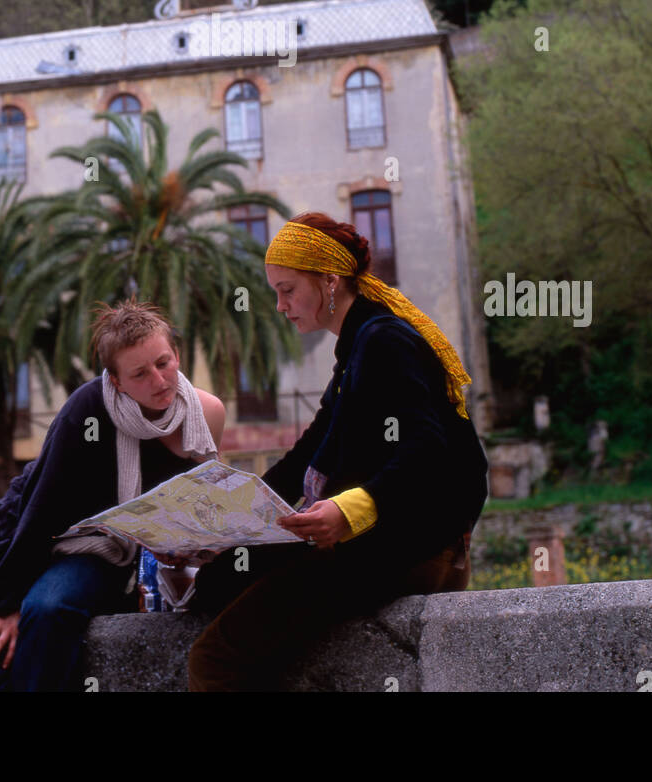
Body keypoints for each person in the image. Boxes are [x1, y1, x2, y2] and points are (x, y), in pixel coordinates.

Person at [187, 212, 488, 692]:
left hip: (416, 547)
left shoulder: (385, 340)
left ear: (329, 282)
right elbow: (311, 449)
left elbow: (427, 447)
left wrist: (350, 511)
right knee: (219, 582)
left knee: (214, 660)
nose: (280, 306)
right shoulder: (358, 346)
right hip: (387, 541)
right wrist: (232, 518)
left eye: (287, 290)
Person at [0, 299, 225, 691]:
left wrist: (177, 547)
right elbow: (40, 511)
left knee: (48, 608)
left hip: (99, 549)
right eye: (140, 373)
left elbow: (191, 507)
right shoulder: (87, 412)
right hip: (11, 543)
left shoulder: (207, 414)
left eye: (163, 363)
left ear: (176, 354)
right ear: (116, 381)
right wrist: (9, 604)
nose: (159, 380)